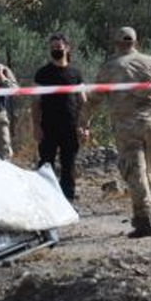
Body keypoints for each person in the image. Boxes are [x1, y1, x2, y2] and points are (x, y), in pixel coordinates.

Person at [84, 27, 151, 238]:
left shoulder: (110, 67)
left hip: (127, 126)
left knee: (134, 172)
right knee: (147, 168)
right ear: (136, 43)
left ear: (117, 44)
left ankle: (143, 218)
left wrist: (83, 123)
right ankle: (148, 207)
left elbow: (93, 99)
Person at [32, 33, 86, 201]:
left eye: (59, 47)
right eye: (53, 47)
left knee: (68, 165)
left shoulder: (75, 74)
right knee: (45, 164)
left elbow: (83, 101)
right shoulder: (42, 73)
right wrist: (35, 126)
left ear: (67, 48)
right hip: (48, 127)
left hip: (70, 127)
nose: (56, 50)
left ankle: (67, 201)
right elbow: (35, 102)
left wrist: (84, 126)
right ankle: (44, 199)